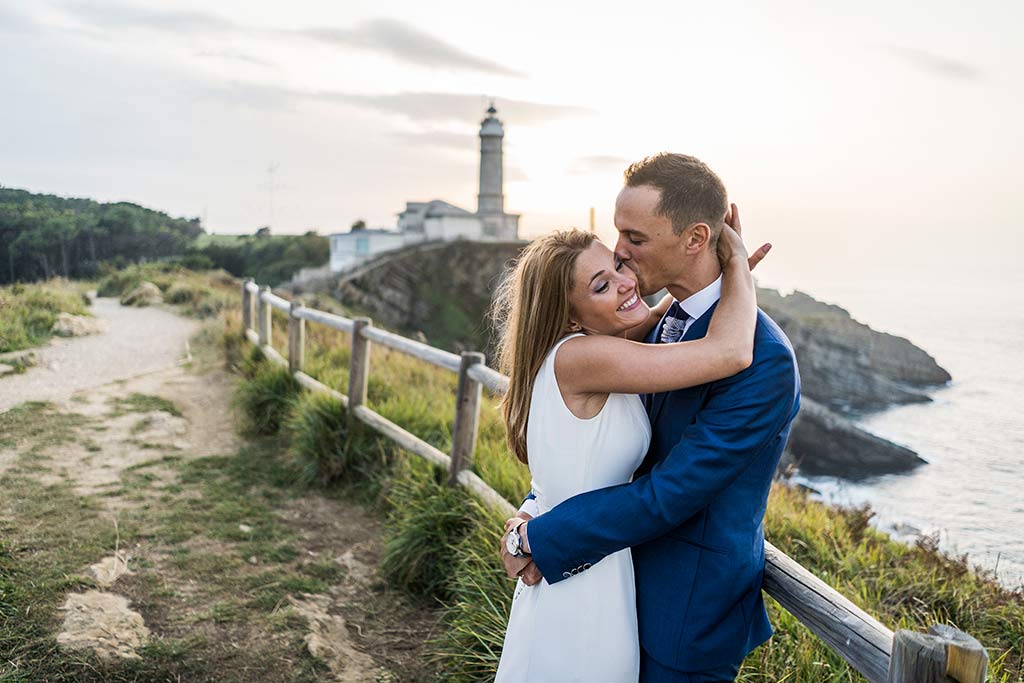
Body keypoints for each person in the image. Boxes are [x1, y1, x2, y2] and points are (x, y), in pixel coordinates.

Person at [498, 153, 801, 682]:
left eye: (633, 239)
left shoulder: (765, 359)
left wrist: (543, 536)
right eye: (618, 236)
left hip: (683, 615)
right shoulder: (646, 328)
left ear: (695, 238)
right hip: (607, 584)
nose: (620, 252)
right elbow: (587, 452)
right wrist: (536, 510)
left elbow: (670, 493)